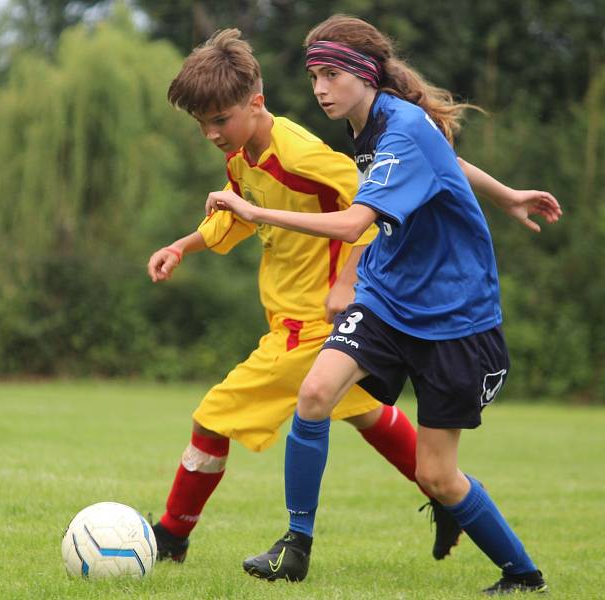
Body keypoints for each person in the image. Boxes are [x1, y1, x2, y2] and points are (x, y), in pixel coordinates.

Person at [149, 28, 560, 577]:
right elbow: (436, 162)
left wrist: (340, 282)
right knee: (339, 403)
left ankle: (173, 535)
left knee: (223, 416)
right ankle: (325, 538)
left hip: (388, 315)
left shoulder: (323, 148)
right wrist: (185, 243)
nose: (320, 89)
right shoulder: (348, 131)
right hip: (367, 304)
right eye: (314, 76)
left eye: (331, 76)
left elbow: (356, 218)